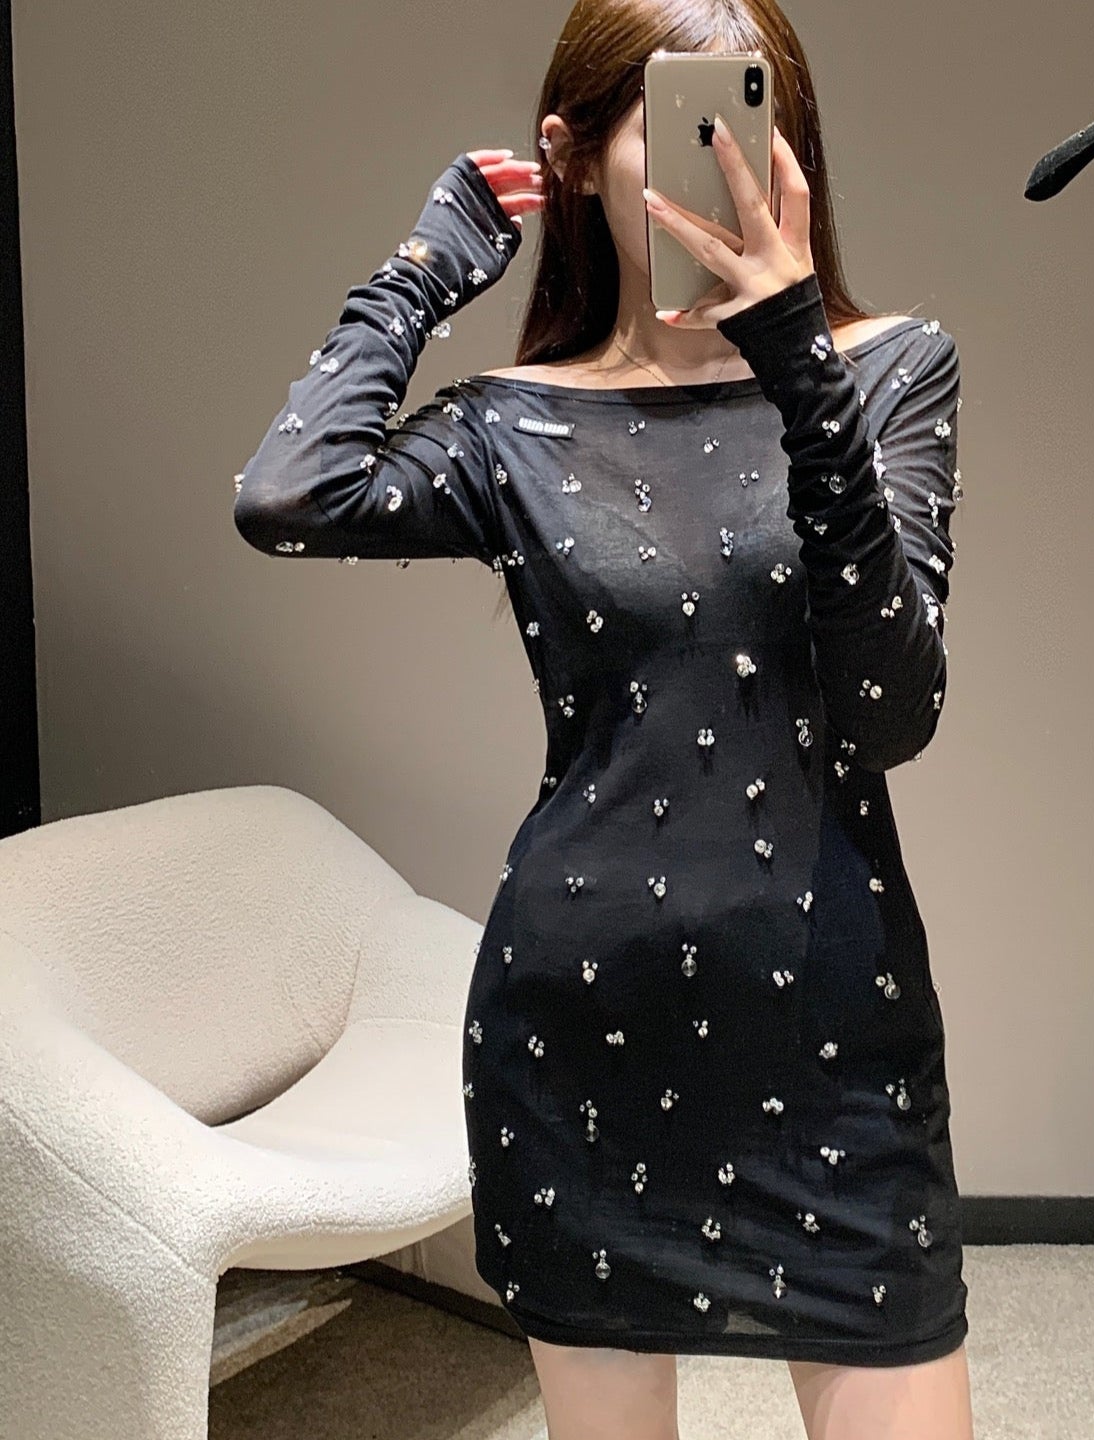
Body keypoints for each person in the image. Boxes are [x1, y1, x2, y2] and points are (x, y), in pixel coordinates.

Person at [233, 3, 973, 1436]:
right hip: (581, 1038)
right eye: (683, 124)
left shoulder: (888, 371)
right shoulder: (515, 422)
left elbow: (892, 709)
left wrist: (796, 363)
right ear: (572, 156)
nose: (728, 162)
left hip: (836, 1038)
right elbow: (289, 495)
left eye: (754, 117)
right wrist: (422, 273)